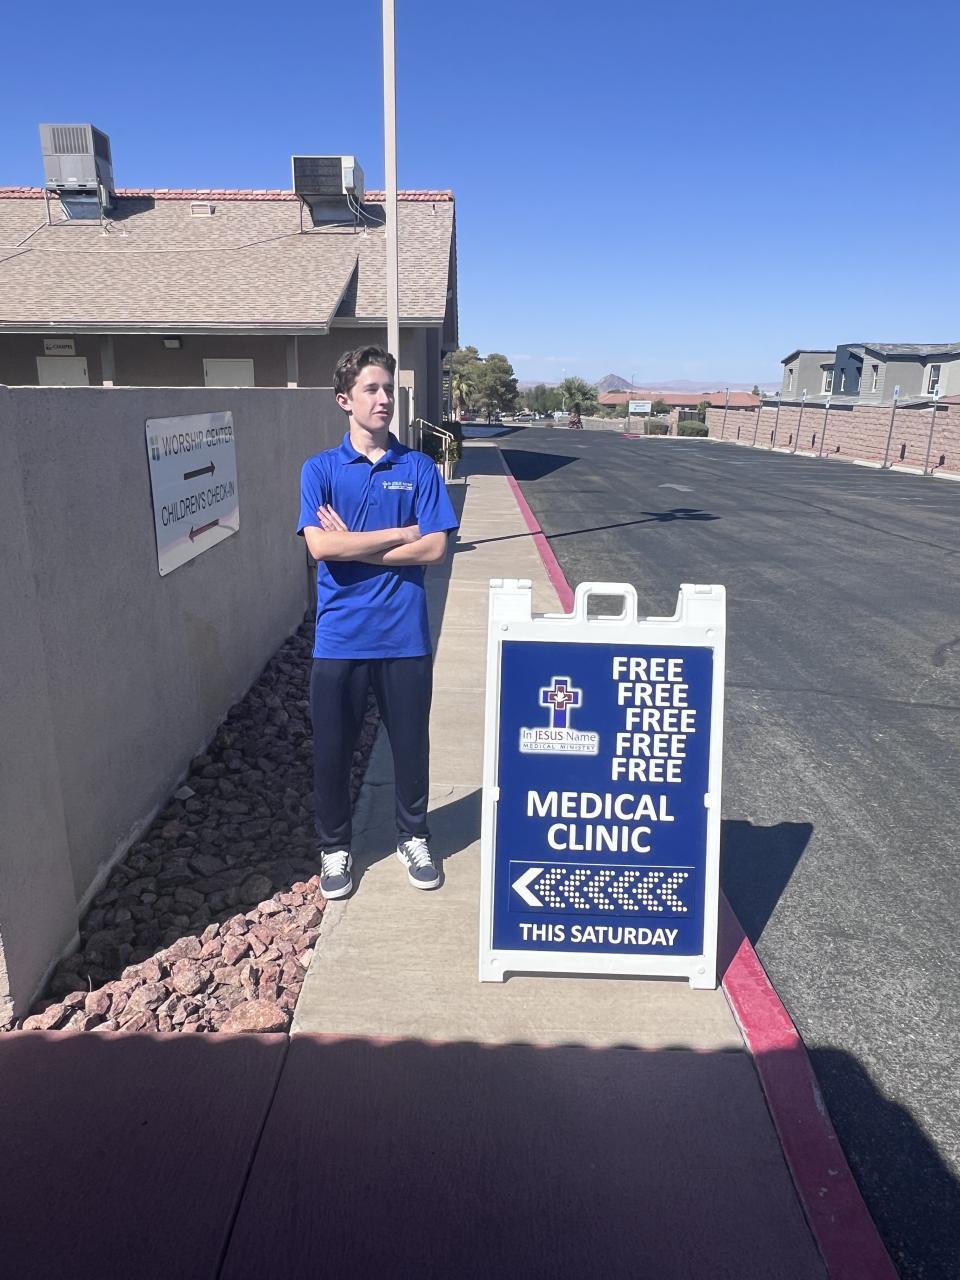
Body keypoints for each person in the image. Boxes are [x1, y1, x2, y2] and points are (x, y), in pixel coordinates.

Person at [297, 346, 459, 900]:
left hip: (403, 638)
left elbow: (435, 548)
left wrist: (355, 545)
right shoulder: (320, 470)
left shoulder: (418, 468)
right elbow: (321, 547)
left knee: (411, 749)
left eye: (387, 388)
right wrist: (399, 534)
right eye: (371, 389)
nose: (384, 398)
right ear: (344, 400)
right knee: (333, 753)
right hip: (340, 638)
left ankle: (414, 836)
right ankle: (335, 847)